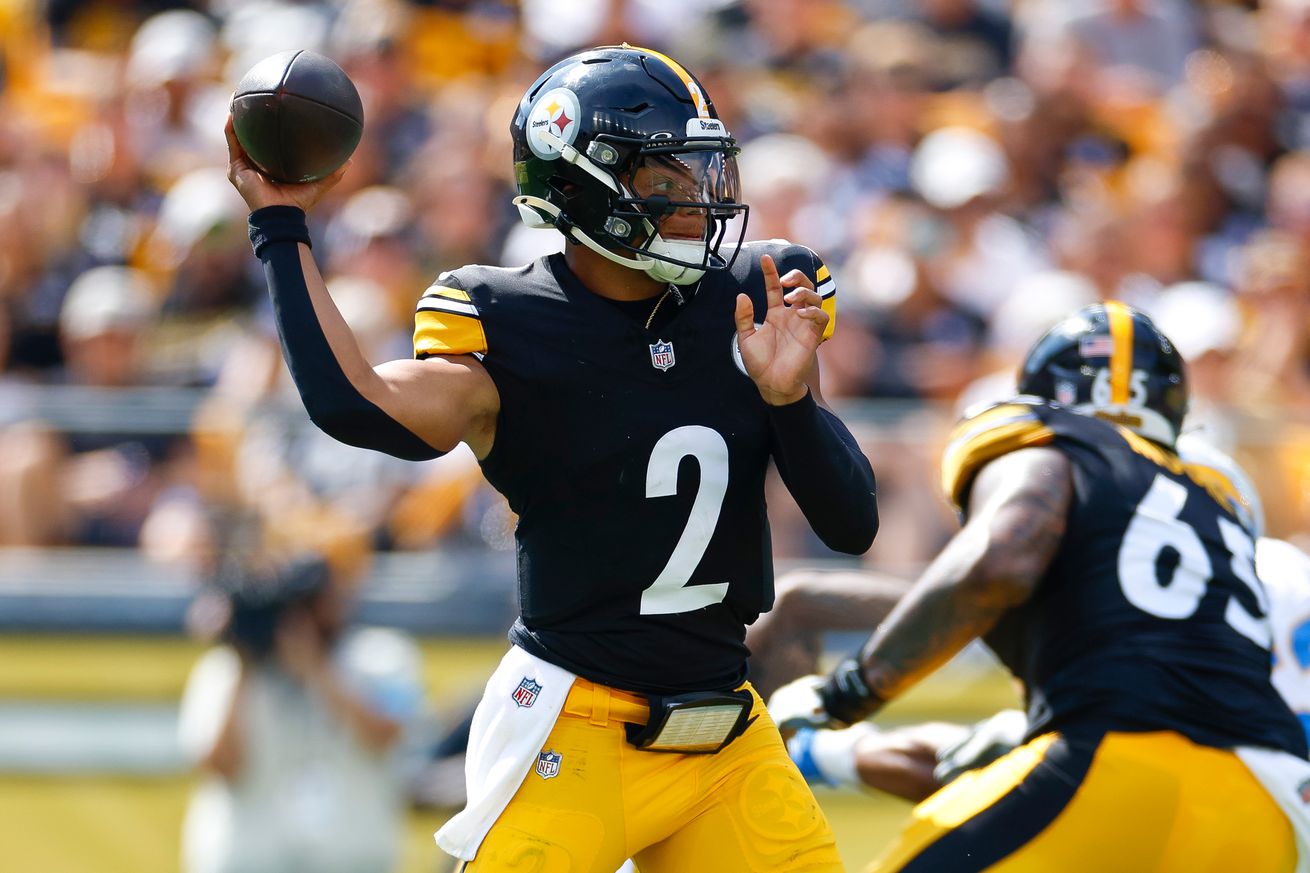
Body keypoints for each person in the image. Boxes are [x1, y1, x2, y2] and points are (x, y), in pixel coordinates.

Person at [226, 44, 879, 872]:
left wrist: (791, 403)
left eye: (703, 175)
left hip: (725, 729)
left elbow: (851, 523)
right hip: (575, 720)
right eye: (666, 180)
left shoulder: (755, 291)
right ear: (586, 185)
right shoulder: (507, 319)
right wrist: (281, 225)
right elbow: (357, 402)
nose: (697, 205)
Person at [768, 301, 1307, 872]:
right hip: (1264, 811)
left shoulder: (1052, 445)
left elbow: (996, 565)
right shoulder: (1213, 502)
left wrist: (845, 693)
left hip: (1124, 762)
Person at [178, 552, 426, 873]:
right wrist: (245, 664)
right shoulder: (224, 670)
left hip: (354, 855)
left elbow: (387, 735)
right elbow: (219, 765)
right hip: (248, 857)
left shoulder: (382, 657)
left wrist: (316, 670)